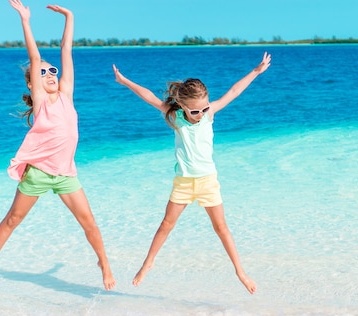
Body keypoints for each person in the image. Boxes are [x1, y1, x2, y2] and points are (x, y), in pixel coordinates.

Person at [0, 0, 116, 291]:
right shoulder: (41, 101)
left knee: (89, 223)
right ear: (32, 85)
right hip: (38, 172)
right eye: (43, 73)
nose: (50, 74)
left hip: (66, 173)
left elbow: (66, 50)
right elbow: (35, 56)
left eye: (52, 72)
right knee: (13, 219)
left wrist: (69, 16)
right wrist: (26, 21)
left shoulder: (66, 94)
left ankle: (103, 261)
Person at [112, 52, 271, 294]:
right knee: (166, 224)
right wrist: (125, 81)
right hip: (184, 183)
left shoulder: (208, 114)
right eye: (195, 111)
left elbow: (234, 92)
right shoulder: (175, 116)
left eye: (204, 108)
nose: (201, 114)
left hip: (208, 182)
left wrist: (256, 71)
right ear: (184, 107)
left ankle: (240, 271)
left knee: (221, 228)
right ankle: (148, 263)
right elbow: (149, 96)